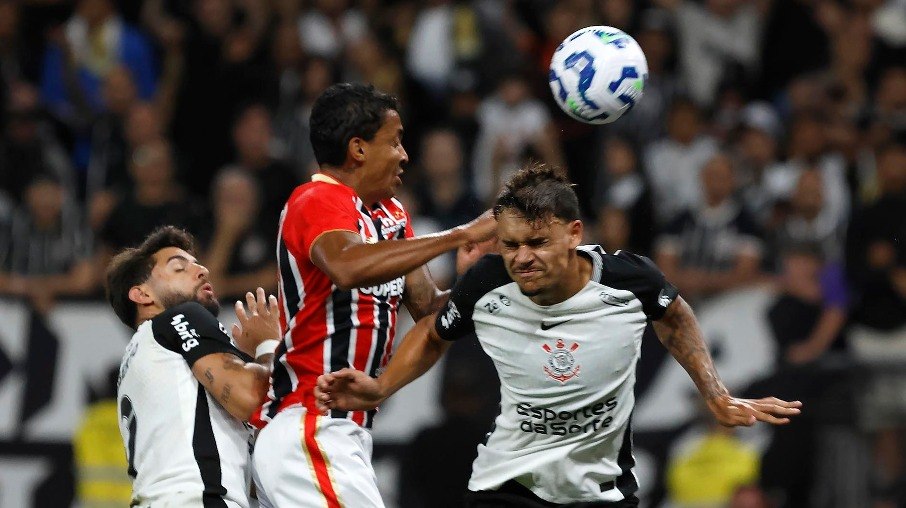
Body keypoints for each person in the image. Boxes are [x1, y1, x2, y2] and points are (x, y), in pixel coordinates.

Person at [316, 164, 802, 507]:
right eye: (509, 245)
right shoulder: (488, 282)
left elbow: (675, 317)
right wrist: (381, 386)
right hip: (507, 486)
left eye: (537, 242)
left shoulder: (629, 280)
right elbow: (434, 334)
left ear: (573, 233)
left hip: (601, 490)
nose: (522, 257)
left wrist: (715, 394)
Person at [249, 82, 495, 508]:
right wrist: (459, 234)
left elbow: (430, 311)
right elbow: (347, 266)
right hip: (311, 425)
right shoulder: (316, 198)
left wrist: (477, 281)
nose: (404, 155)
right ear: (358, 149)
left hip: (345, 434)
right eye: (395, 141)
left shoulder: (390, 215)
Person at [106, 225, 281, 507]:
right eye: (179, 268)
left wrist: (244, 360)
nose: (202, 271)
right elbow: (250, 399)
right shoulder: (181, 317)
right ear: (142, 294)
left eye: (197, 264)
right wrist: (267, 345)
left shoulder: (145, 355)